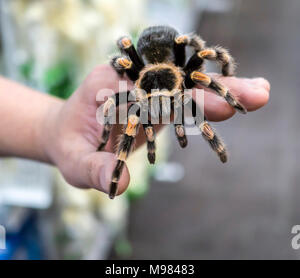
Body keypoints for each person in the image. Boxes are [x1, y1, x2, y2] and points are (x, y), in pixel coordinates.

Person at [0, 65, 270, 197]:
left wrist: (228, 95)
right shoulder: (135, 92)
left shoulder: (182, 79)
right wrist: (102, 137)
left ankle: (218, 146)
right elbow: (122, 54)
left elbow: (202, 56)